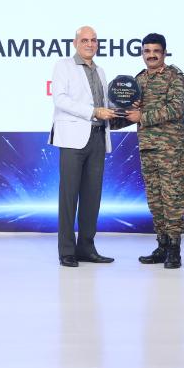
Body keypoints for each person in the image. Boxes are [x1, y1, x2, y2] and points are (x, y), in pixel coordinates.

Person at [114, 33, 184, 269]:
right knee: (155, 199)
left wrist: (142, 116)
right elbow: (132, 113)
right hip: (147, 148)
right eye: (147, 51)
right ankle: (162, 245)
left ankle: (174, 249)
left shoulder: (174, 77)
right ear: (142, 53)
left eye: (156, 51)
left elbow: (176, 109)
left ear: (164, 52)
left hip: (170, 149)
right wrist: (110, 118)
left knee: (172, 198)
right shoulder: (138, 80)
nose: (152, 55)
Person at [49, 26, 117, 267]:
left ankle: (86, 247)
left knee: (92, 196)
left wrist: (124, 107)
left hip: (98, 138)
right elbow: (60, 99)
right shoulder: (63, 66)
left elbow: (105, 105)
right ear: (75, 43)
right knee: (69, 196)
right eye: (85, 40)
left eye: (94, 40)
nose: (90, 44)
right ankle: (67, 250)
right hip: (72, 140)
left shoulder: (101, 71)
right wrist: (93, 112)